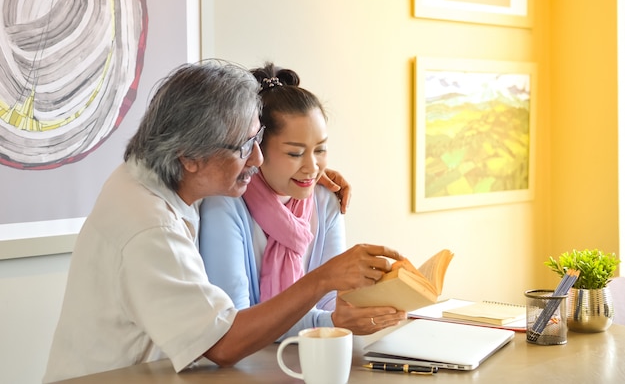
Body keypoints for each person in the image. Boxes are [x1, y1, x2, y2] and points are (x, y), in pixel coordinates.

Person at [43, 60, 404, 383]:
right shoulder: (151, 227)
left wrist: (305, 174)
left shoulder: (147, 175)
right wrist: (322, 280)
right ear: (189, 156)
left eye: (258, 140)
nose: (258, 158)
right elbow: (223, 343)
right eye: (244, 146)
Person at [199, 62, 406, 337]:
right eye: (295, 154)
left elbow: (332, 300)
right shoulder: (225, 204)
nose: (312, 167)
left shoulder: (327, 201)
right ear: (256, 150)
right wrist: (331, 322)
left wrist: (359, 313)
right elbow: (235, 320)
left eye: (320, 150)